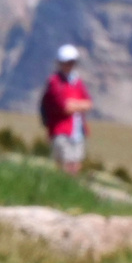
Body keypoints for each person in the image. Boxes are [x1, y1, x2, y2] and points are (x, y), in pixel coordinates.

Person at [39, 43, 93, 175]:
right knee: (65, 163)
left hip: (78, 131)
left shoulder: (77, 82)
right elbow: (64, 106)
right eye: (67, 62)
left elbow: (88, 103)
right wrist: (78, 105)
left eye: (72, 62)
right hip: (61, 130)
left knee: (76, 162)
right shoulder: (54, 82)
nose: (70, 66)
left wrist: (74, 104)